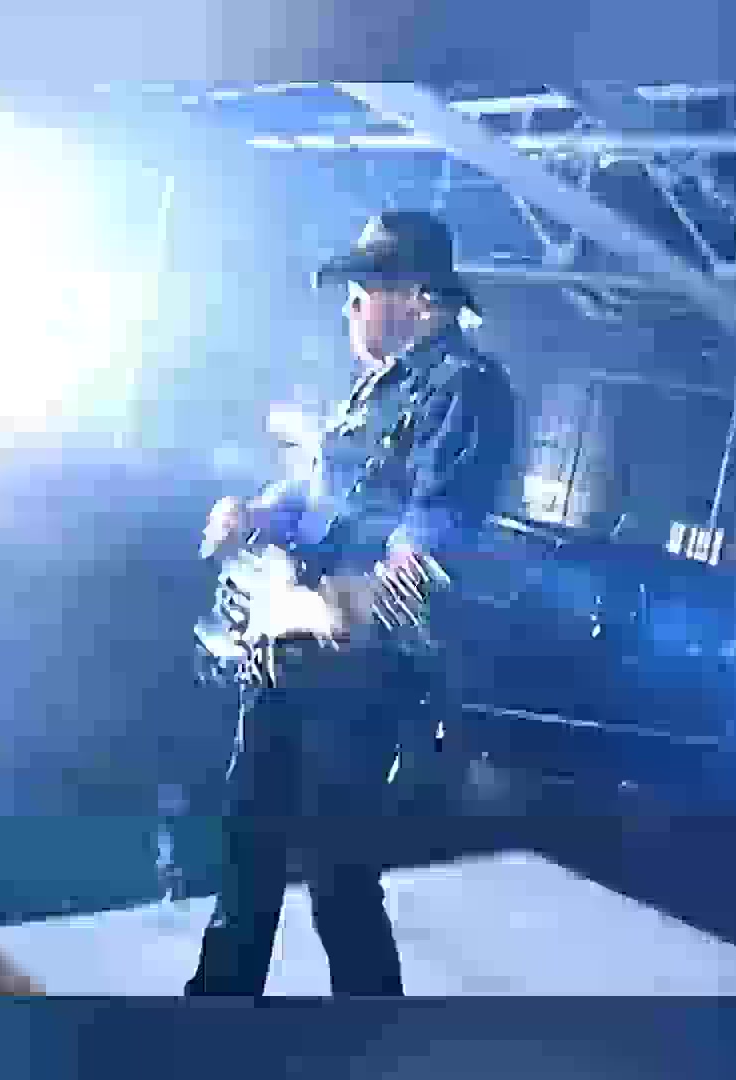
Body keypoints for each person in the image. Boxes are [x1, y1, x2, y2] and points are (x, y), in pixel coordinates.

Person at [185, 209, 518, 996]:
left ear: (415, 297)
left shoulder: (469, 389)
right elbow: (322, 497)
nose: (350, 308)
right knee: (247, 853)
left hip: (356, 678)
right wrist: (256, 515)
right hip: (286, 658)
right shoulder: (376, 389)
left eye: (361, 292)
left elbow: (429, 549)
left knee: (337, 878)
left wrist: (327, 604)